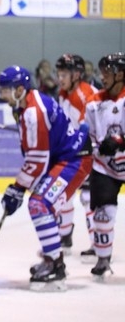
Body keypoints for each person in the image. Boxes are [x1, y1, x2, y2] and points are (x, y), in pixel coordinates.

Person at [0, 66, 92, 291]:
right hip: (62, 157)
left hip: (74, 160)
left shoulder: (33, 112)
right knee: (41, 202)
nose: (2, 95)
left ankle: (55, 266)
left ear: (20, 89)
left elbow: (37, 159)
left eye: (6, 90)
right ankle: (53, 257)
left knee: (40, 203)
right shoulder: (24, 105)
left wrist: (17, 188)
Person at [82, 52, 125, 279]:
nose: (103, 76)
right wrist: (83, 143)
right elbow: (86, 133)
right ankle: (103, 260)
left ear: (121, 74)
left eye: (107, 72)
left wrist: (119, 141)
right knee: (102, 214)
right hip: (104, 167)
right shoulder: (93, 102)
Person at [54, 53, 97, 257]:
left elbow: (85, 127)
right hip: (74, 150)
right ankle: (65, 236)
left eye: (64, 74)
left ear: (77, 75)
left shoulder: (85, 94)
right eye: (59, 73)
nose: (60, 78)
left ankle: (97, 243)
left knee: (88, 198)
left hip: (91, 150)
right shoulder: (63, 92)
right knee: (63, 192)